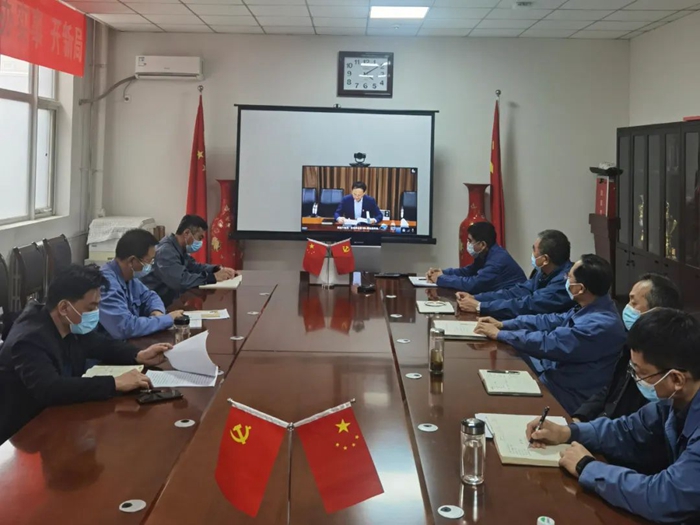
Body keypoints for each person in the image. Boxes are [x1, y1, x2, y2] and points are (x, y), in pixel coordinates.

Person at [526, 308, 700, 524]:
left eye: (641, 373)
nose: (636, 378)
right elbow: (626, 431)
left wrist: (586, 467)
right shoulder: (673, 402)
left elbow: (665, 497)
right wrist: (567, 432)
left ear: (677, 379)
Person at [0, 264, 172, 443]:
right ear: (64, 307)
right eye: (91, 308)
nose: (95, 313)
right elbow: (50, 388)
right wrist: (114, 383)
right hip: (25, 431)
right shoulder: (30, 339)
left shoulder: (66, 323)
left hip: (59, 418)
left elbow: (99, 344)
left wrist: (139, 355)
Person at [475, 254, 626, 414]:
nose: (565, 279)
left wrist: (501, 334)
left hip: (566, 396)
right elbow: (549, 320)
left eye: (569, 277)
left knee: (494, 404)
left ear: (580, 289)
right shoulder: (590, 305)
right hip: (552, 376)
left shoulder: (601, 325)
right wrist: (505, 324)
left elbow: (549, 343)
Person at [573, 273, 682, 422]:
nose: (626, 308)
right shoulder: (631, 344)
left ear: (655, 312)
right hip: (603, 424)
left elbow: (635, 428)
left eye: (634, 303)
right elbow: (610, 390)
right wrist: (580, 417)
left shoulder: (663, 362)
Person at [456, 229, 574, 319]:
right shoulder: (543, 272)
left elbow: (528, 305)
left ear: (545, 259)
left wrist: (480, 306)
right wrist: (475, 298)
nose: (532, 254)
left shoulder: (565, 282)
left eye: (534, 250)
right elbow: (517, 292)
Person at [99, 229, 184, 340]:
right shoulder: (107, 284)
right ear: (132, 261)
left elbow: (150, 296)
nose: (151, 265)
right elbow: (125, 327)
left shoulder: (129, 278)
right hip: (109, 347)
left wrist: (157, 312)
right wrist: (166, 320)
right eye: (149, 261)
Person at [143, 215, 237, 305]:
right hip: (154, 305)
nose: (200, 242)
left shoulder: (178, 248)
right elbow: (181, 280)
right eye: (199, 238)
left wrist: (216, 269)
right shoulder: (166, 251)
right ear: (186, 233)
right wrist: (213, 277)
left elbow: (194, 267)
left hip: (169, 300)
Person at [426, 221, 526, 293]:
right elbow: (467, 271)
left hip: (512, 302)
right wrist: (442, 272)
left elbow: (473, 285)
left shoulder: (496, 261)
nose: (468, 244)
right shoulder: (486, 254)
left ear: (482, 245)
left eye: (470, 241)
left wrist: (441, 279)